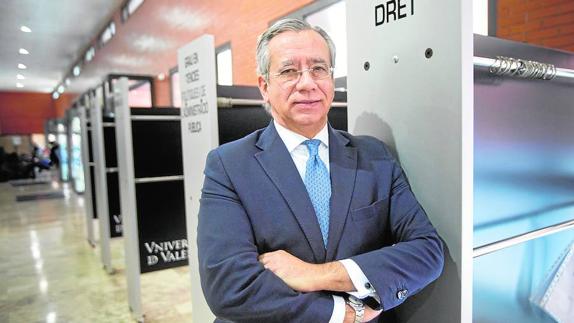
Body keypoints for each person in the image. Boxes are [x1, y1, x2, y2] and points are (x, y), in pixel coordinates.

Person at [198, 18, 444, 323]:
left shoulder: (374, 156)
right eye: (289, 71)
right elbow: (229, 286)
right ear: (264, 86)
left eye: (318, 69)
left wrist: (316, 275)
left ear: (331, 79)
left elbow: (427, 252)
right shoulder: (229, 165)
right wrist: (343, 313)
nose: (307, 83)